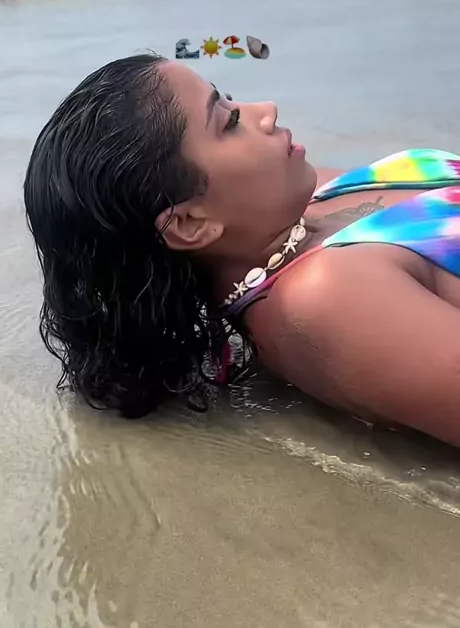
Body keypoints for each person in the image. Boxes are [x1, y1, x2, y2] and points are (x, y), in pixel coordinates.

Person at [23, 53, 460, 445]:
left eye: (230, 100)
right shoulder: (324, 297)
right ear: (190, 224)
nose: (266, 110)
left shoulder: (298, 200)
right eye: (228, 122)